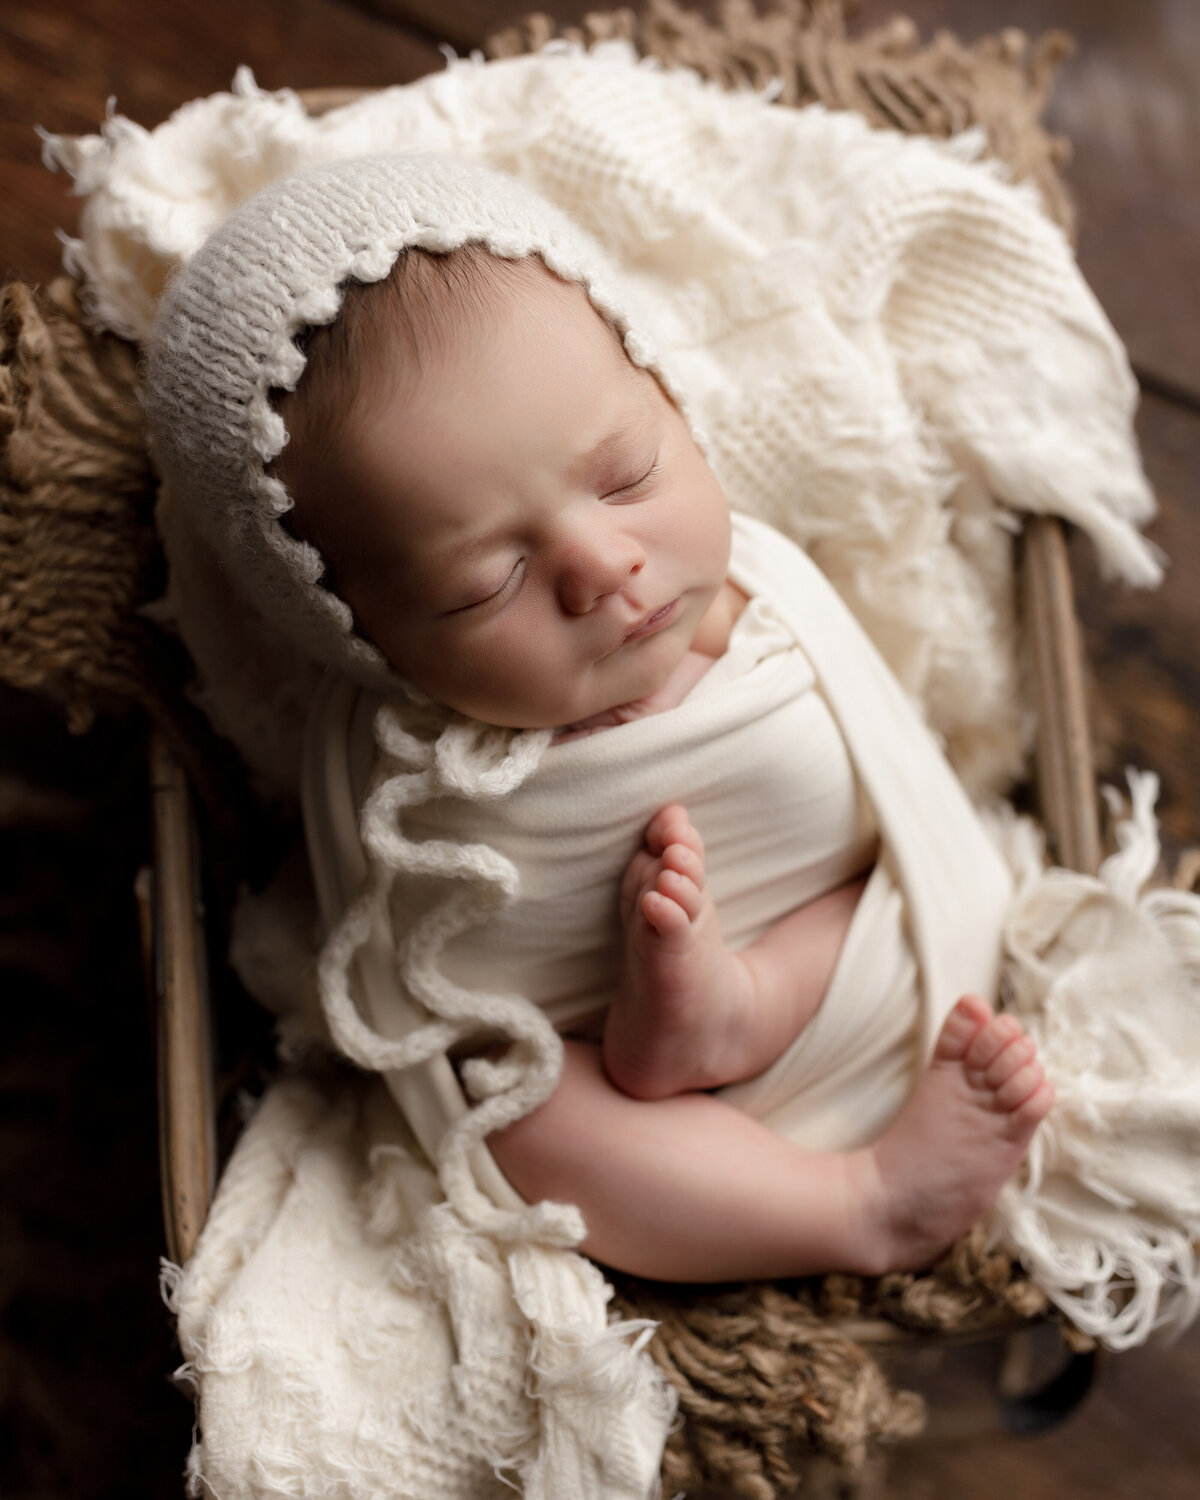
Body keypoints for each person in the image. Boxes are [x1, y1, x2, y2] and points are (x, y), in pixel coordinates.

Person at [260, 223, 1054, 1285]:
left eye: (628, 476)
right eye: (483, 585)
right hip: (640, 1119)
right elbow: (433, 996)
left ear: (674, 407)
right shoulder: (404, 783)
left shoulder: (760, 605)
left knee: (900, 870)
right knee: (513, 1119)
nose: (602, 566)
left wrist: (755, 987)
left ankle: (733, 1008)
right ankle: (861, 1206)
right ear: (362, 634)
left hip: (861, 971)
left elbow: (896, 780)